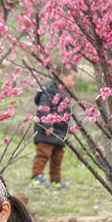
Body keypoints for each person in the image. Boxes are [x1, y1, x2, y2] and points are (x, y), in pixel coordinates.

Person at [31, 62, 78, 190]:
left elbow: (68, 113)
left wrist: (69, 130)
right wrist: (47, 124)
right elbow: (43, 108)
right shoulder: (49, 90)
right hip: (47, 130)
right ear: (62, 76)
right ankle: (37, 178)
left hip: (60, 130)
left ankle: (56, 179)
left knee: (58, 157)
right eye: (73, 79)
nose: (74, 83)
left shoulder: (65, 94)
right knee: (43, 154)